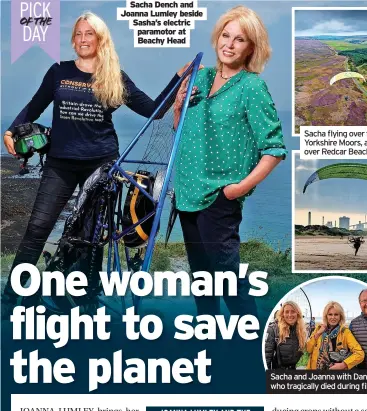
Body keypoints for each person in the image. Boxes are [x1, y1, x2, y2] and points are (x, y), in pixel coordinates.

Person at [2, 11, 189, 312]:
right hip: (60, 163)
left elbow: (152, 109)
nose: (83, 39)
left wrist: (178, 79)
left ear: (100, 39)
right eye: (78, 34)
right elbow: (34, 107)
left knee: (89, 239)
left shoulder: (113, 76)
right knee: (37, 227)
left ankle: (83, 299)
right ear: (73, 39)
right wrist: (12, 129)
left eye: (89, 33)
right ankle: (10, 296)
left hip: (100, 165)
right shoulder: (58, 71)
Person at [173, 6, 287, 315]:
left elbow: (274, 150)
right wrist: (178, 106)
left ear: (252, 47)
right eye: (226, 36)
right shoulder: (202, 77)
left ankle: (252, 353)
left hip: (219, 198)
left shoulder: (252, 87)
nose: (229, 44)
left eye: (239, 39)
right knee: (202, 283)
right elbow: (180, 131)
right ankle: (210, 350)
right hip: (186, 194)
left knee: (228, 282)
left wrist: (238, 189)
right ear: (217, 37)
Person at [306, 301, 364, 370]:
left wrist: (343, 365)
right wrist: (318, 333)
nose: (333, 317)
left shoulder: (345, 332)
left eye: (336, 314)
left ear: (340, 316)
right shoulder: (318, 329)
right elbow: (308, 349)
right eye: (330, 314)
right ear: (326, 316)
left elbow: (360, 354)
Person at [265, 302, 307, 370]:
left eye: (293, 311)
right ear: (282, 314)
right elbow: (266, 357)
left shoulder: (301, 330)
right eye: (286, 312)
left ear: (298, 313)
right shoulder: (273, 329)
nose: (290, 315)